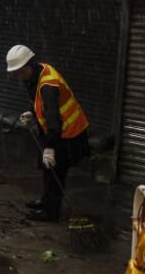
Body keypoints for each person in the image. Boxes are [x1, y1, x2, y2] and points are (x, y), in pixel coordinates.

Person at [6, 45, 90, 222]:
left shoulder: (48, 86)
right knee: (47, 168)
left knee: (55, 172)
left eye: (21, 72)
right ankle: (45, 202)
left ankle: (51, 213)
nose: (19, 76)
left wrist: (50, 148)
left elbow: (54, 120)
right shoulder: (38, 73)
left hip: (68, 133)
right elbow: (39, 103)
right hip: (55, 130)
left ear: (29, 64)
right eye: (17, 73)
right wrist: (32, 112)